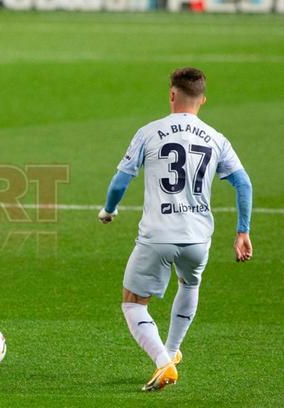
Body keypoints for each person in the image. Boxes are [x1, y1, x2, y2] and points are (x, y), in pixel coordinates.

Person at [98, 67, 252, 391]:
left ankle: (163, 361)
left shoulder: (149, 132)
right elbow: (243, 184)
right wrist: (242, 231)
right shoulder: (216, 138)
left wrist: (108, 211)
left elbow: (120, 181)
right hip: (198, 238)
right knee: (189, 284)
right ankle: (171, 351)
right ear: (203, 100)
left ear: (171, 94)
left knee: (132, 302)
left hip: (158, 235)